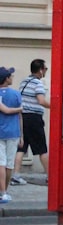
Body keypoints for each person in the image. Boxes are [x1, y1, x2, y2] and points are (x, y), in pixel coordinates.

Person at [12, 59, 49, 185]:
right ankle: (50, 176)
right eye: (45, 69)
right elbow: (41, 101)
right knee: (42, 149)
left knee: (22, 148)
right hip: (34, 119)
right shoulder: (38, 84)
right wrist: (56, 106)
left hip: (22, 117)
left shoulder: (24, 82)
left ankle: (16, 175)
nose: (46, 71)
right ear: (40, 70)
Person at [0, 67, 23, 204]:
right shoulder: (16, 94)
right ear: (6, 79)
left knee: (0, 163)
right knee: (9, 164)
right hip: (13, 132)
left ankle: (2, 192)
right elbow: (19, 116)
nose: (12, 78)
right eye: (10, 76)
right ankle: (5, 191)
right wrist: (22, 135)